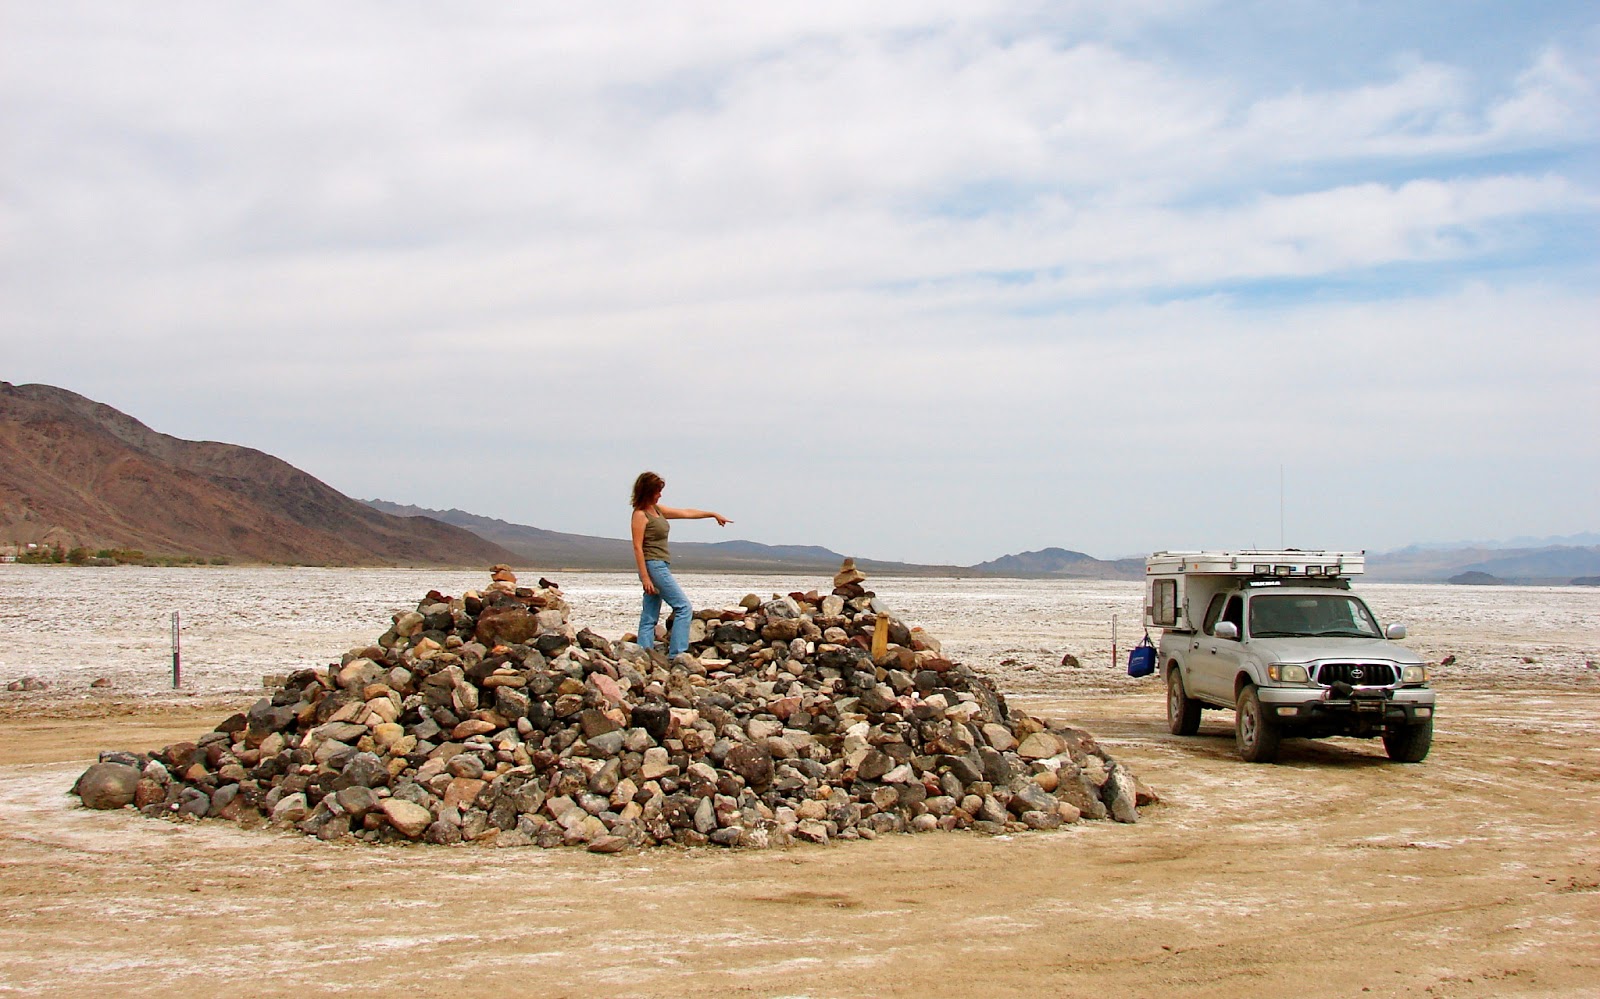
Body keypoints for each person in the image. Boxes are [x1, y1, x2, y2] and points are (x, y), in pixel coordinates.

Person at [629, 471, 731, 658]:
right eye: (657, 491)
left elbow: (686, 513)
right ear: (648, 491)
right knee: (683, 607)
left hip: (660, 565)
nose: (660, 495)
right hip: (653, 566)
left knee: (650, 614)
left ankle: (642, 655)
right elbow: (637, 547)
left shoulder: (657, 510)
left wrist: (712, 514)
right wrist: (645, 577)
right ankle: (677, 654)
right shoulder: (640, 515)